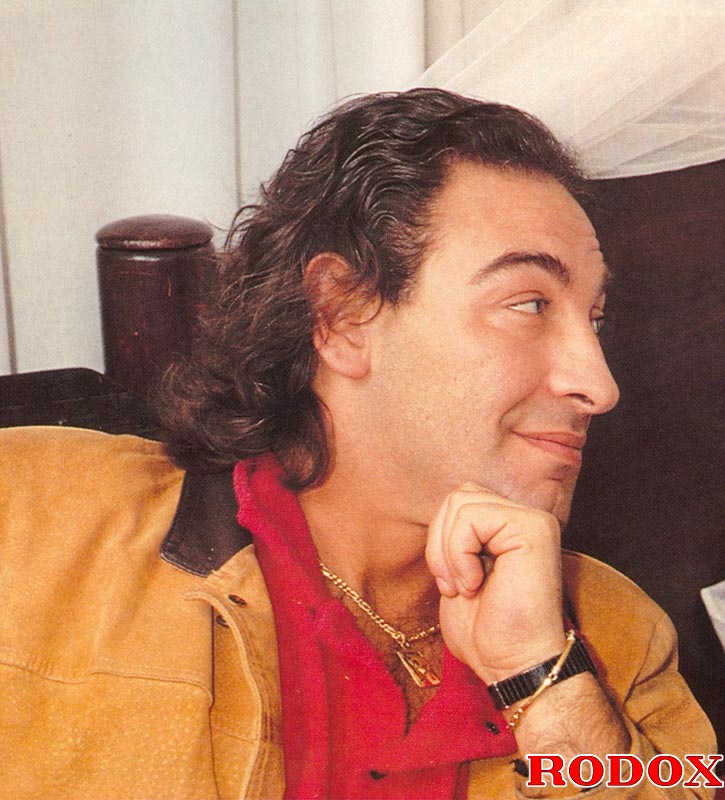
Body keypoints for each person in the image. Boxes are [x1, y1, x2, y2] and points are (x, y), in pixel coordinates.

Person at [0, 89, 716, 799]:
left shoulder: (622, 638)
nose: (598, 384)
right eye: (528, 304)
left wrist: (540, 678)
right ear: (342, 315)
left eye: (594, 319)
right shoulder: (32, 518)